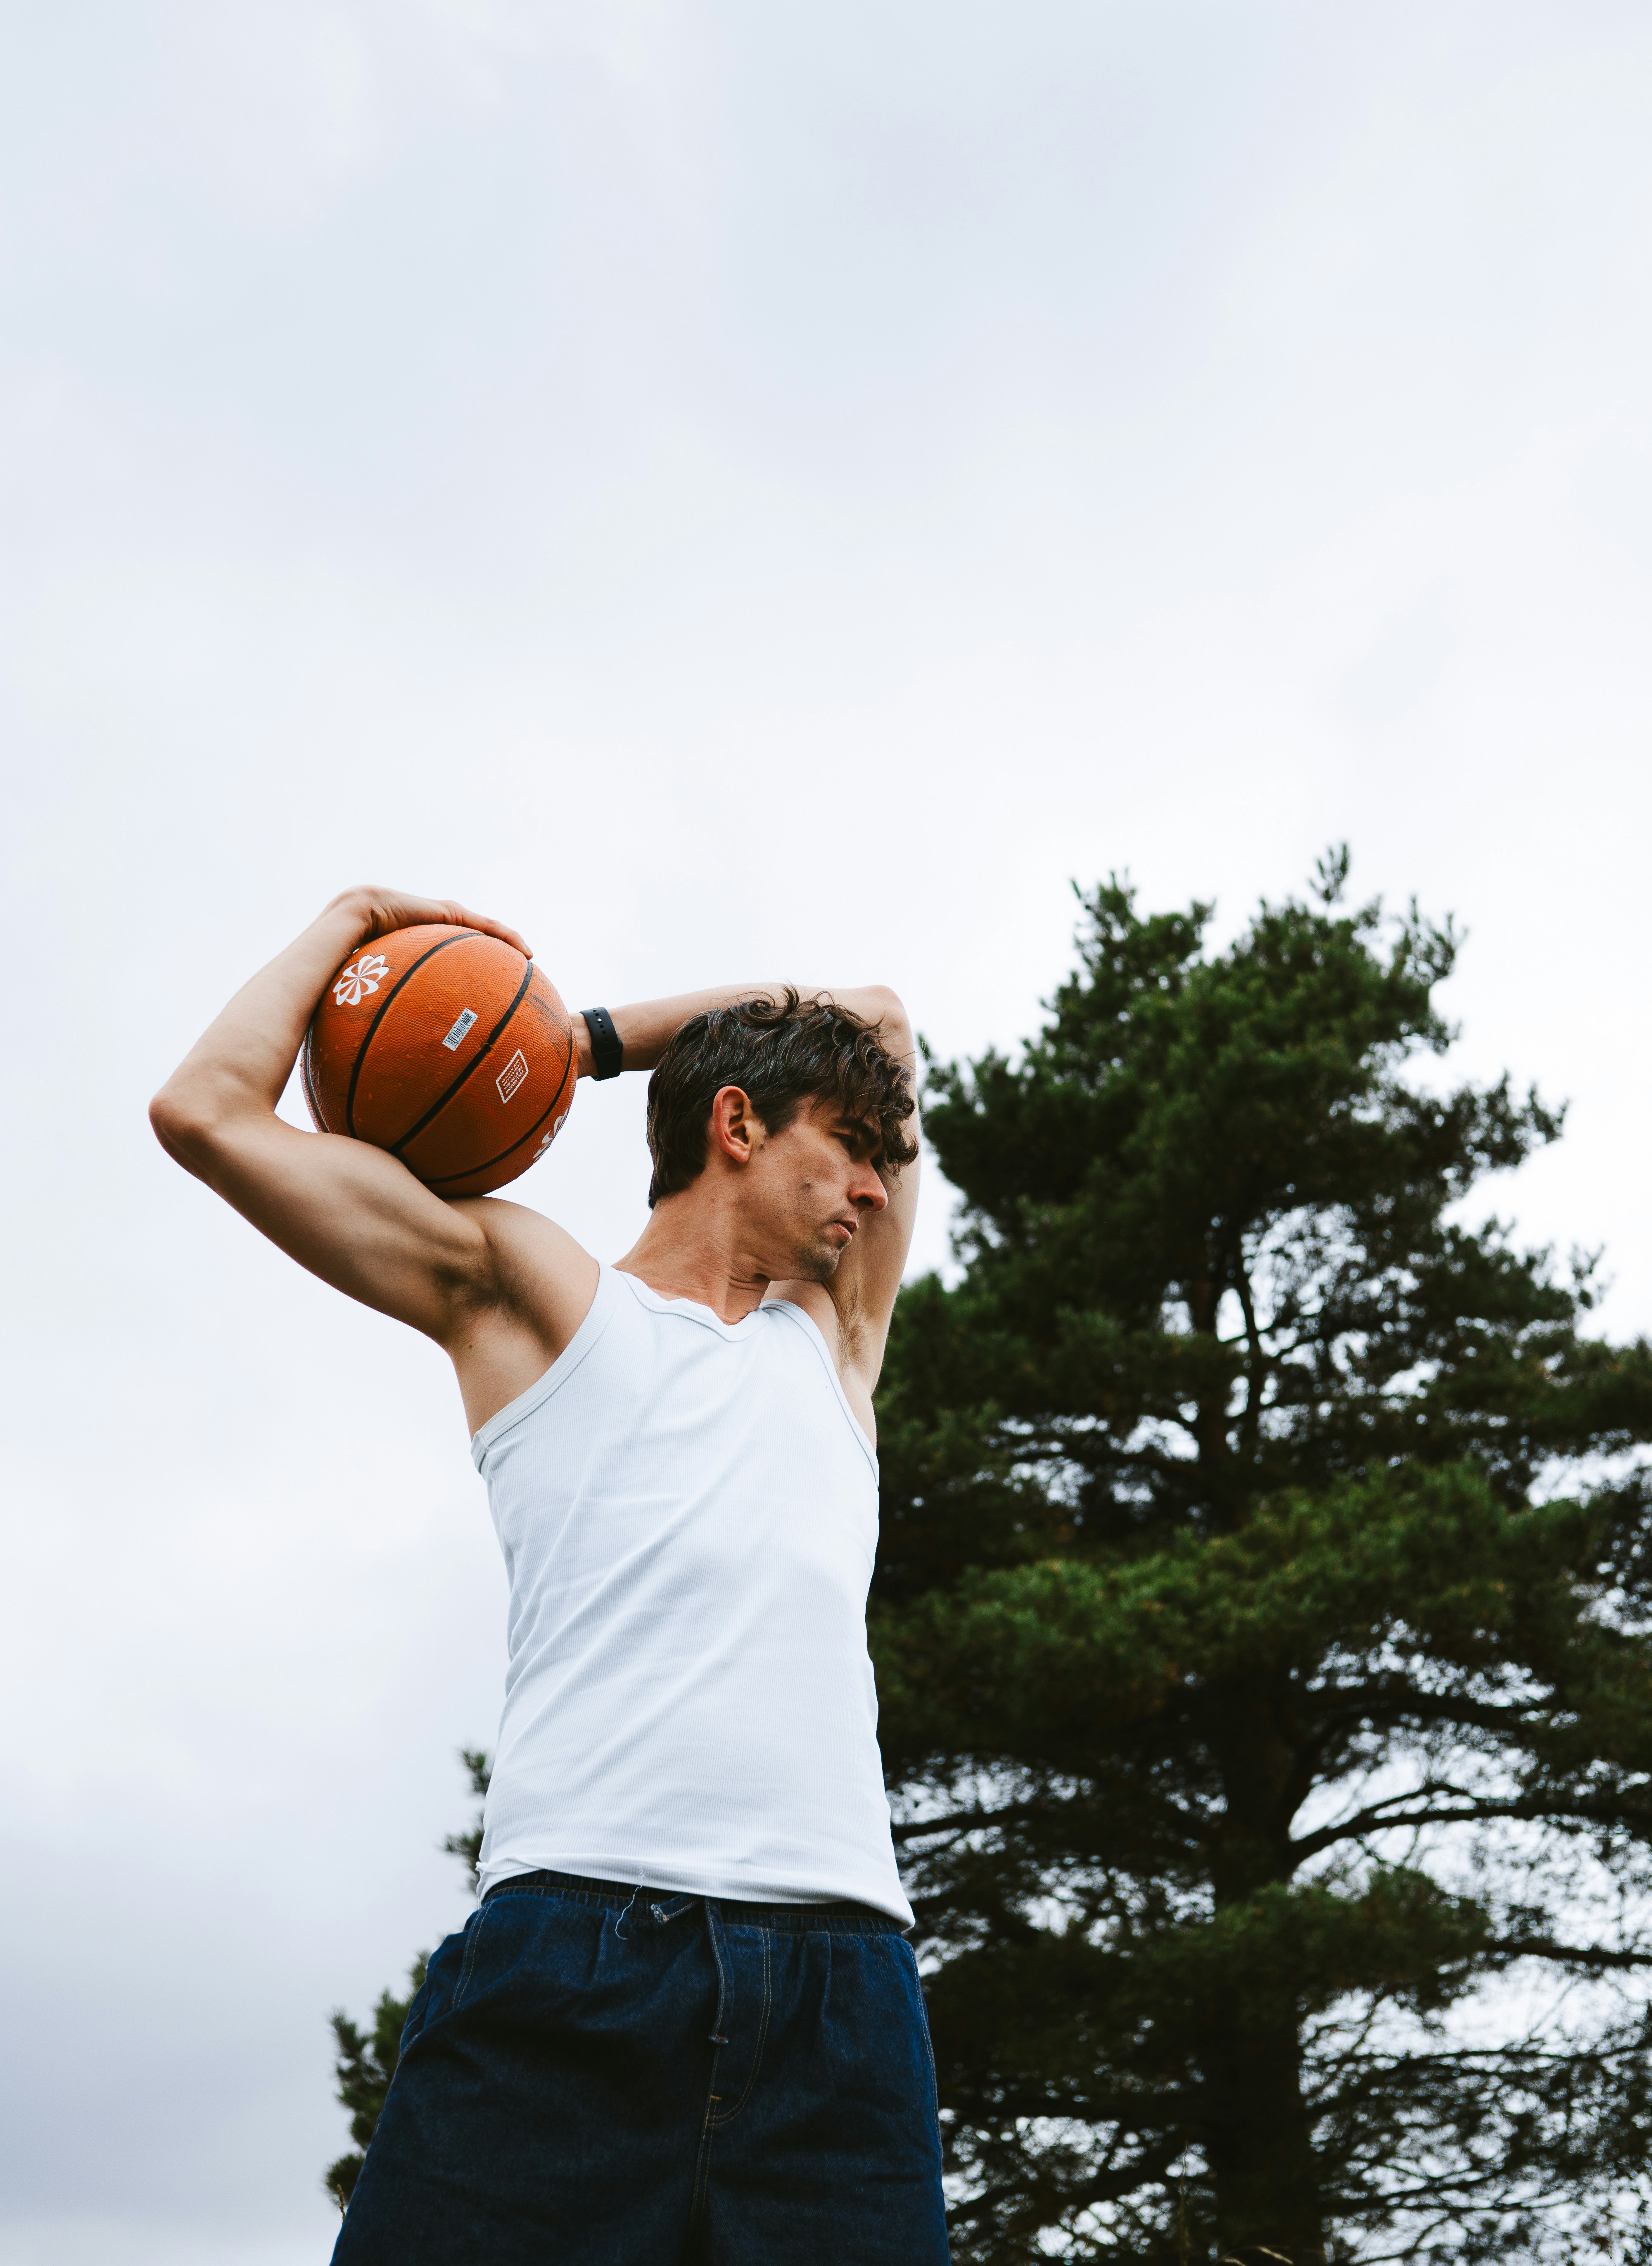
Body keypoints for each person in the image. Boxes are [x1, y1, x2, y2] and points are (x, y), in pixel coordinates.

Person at [149, 884, 947, 2266]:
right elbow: (206, 1114)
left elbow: (877, 1016)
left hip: (843, 2001)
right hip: (574, 1958)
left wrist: (575, 1040)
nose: (882, 1187)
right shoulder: (532, 1293)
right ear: (739, 1125)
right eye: (854, 1147)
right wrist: (352, 921)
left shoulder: (836, 1332)